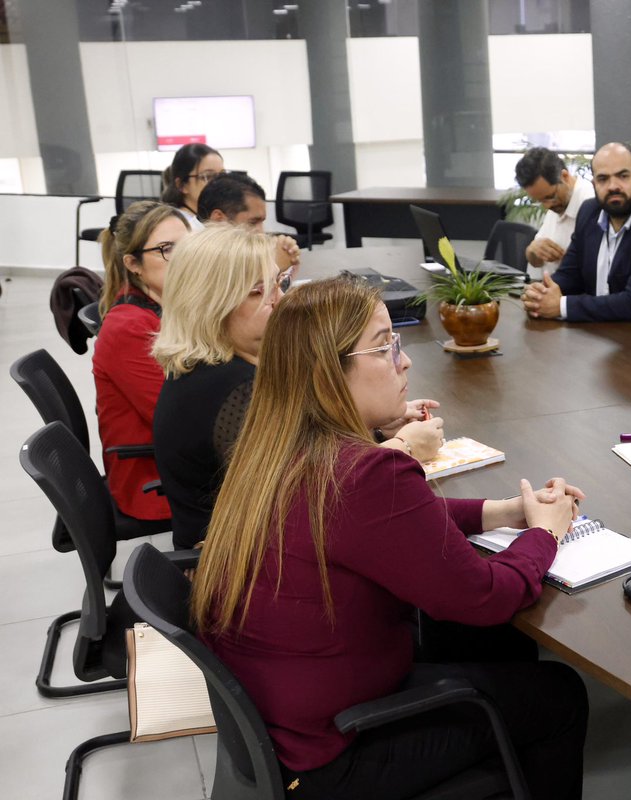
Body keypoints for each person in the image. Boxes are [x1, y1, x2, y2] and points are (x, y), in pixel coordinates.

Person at [191, 277, 588, 800]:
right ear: (328, 372)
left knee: (474, 639)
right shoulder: (362, 473)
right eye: (384, 347)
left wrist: (507, 512)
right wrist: (544, 534)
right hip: (334, 753)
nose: (404, 362)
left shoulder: (277, 444)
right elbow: (486, 596)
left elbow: (389, 525)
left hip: (282, 722)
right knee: (558, 695)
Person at [153, 225, 440, 550]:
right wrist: (404, 446)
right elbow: (311, 495)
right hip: (236, 569)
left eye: (279, 282)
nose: (280, 299)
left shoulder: (227, 365)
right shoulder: (232, 388)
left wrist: (373, 424)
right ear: (212, 303)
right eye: (258, 291)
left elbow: (306, 450)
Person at [521, 141, 631, 323]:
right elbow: (570, 275)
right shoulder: (589, 212)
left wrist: (560, 306)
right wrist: (540, 294)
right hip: (610, 332)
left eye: (623, 176)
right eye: (603, 179)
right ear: (594, 184)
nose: (613, 186)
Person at [92, 200, 189, 523]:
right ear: (133, 263)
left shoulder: (170, 306)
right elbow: (177, 420)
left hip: (177, 461)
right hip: (153, 484)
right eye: (166, 249)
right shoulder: (130, 328)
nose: (184, 260)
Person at [196, 173, 302, 272]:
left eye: (261, 222)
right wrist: (274, 267)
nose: (261, 232)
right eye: (252, 223)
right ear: (219, 220)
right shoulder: (201, 263)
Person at [514, 147, 593, 272]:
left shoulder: (590, 202)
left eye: (549, 197)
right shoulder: (557, 205)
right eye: (540, 201)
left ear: (565, 177)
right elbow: (535, 260)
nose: (547, 206)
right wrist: (533, 251)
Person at [161, 142, 224, 230]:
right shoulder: (180, 227)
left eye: (222, 175)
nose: (219, 182)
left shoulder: (206, 219)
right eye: (208, 176)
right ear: (182, 185)